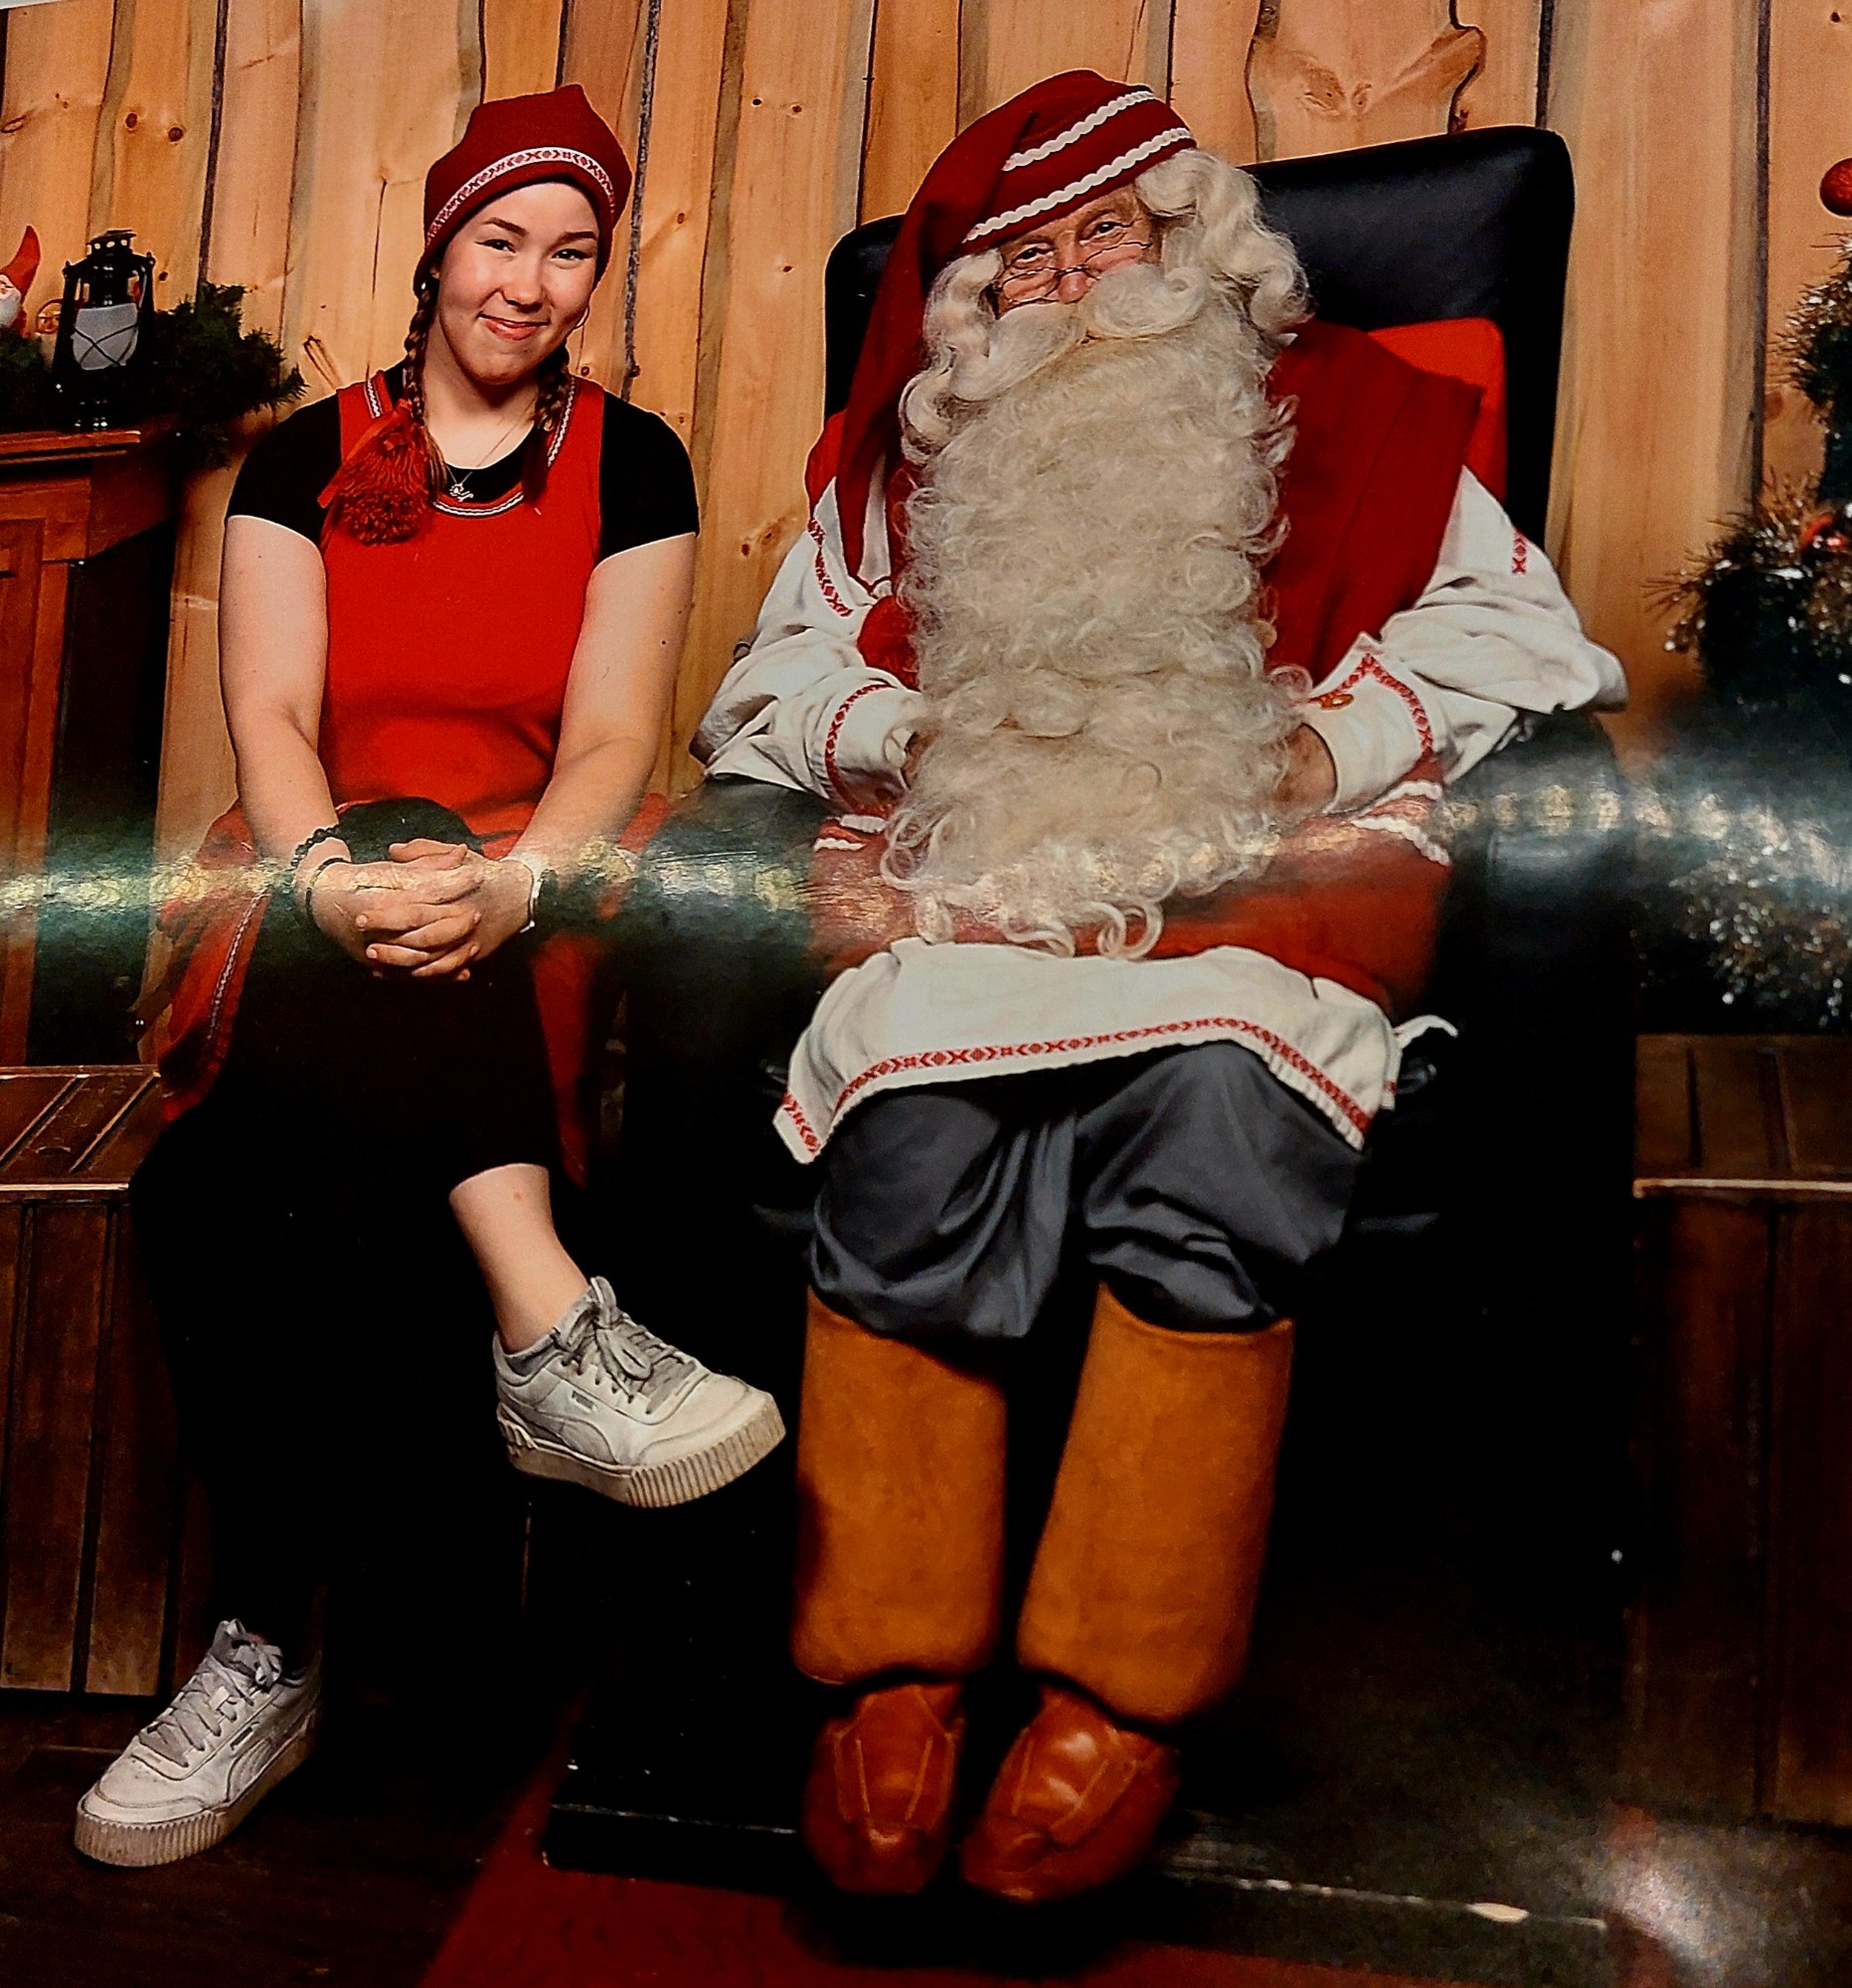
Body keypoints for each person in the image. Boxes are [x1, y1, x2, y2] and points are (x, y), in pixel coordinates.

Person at [692, 71, 1627, 1903]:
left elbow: (1525, 633)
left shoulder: (1352, 408)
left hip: (1254, 894)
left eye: (1106, 236)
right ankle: (888, 1675)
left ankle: (1119, 1698)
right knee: (913, 1125)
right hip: (980, 900)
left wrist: (1331, 746)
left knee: (1215, 1120)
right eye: (1027, 264)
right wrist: (907, 733)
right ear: (976, 304)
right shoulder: (915, 465)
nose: (1074, 287)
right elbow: (767, 686)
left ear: (1185, 239)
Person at [75, 85, 782, 1872]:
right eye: (499, 241)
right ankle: (553, 1330)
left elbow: (613, 739)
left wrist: (517, 882)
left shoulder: (637, 461)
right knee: (244, 1132)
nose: (529, 284)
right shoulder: (305, 458)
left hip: (536, 887)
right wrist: (328, 880)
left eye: (572, 254)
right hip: (316, 882)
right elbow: (272, 719)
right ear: (439, 248)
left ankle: (261, 1646)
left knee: (216, 1192)